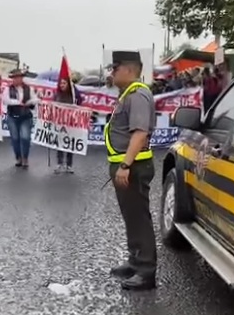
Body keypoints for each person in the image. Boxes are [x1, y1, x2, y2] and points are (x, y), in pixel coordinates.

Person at [105, 50, 157, 291]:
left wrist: (125, 165)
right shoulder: (127, 94)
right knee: (131, 218)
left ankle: (146, 270)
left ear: (128, 69)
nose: (112, 73)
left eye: (115, 68)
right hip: (127, 165)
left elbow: (139, 133)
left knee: (138, 218)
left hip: (134, 166)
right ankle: (135, 261)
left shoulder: (137, 95)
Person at [3, 68, 38, 168]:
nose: (16, 80)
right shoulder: (8, 89)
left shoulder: (28, 88)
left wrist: (31, 102)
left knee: (25, 137)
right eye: (14, 78)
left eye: (18, 77)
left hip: (25, 117)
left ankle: (25, 158)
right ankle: (18, 157)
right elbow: (5, 100)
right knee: (15, 138)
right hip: (12, 117)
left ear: (21, 78)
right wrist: (18, 102)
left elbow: (34, 99)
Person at [54, 77, 81, 174]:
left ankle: (69, 165)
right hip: (60, 123)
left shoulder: (74, 94)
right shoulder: (57, 94)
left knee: (70, 144)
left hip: (71, 122)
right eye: (60, 83)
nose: (62, 85)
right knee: (60, 143)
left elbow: (80, 100)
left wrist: (73, 87)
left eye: (64, 83)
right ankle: (59, 164)